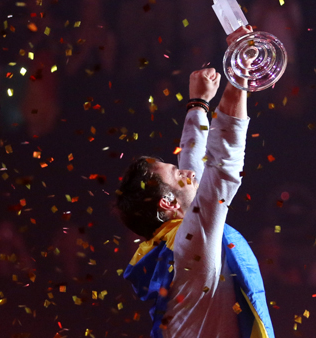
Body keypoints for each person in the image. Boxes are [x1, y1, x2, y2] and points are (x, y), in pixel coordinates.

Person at [116, 26, 275, 338]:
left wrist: (198, 103)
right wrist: (239, 71)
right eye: (177, 176)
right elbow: (223, 166)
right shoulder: (189, 245)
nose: (188, 173)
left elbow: (195, 164)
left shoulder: (172, 247)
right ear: (168, 203)